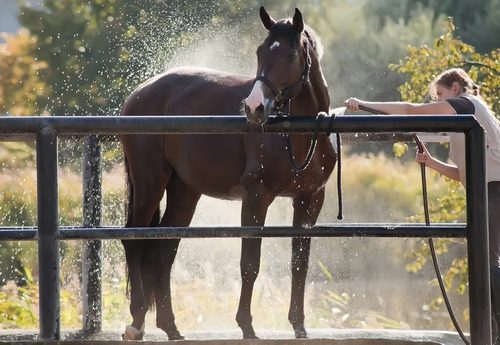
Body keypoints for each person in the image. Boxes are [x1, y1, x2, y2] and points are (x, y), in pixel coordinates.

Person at [344, 68, 500, 343]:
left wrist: (364, 104)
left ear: (455, 88)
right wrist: (430, 163)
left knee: (488, 261)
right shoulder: (470, 118)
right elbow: (465, 174)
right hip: (487, 192)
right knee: (488, 260)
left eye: (440, 94)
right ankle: (492, 332)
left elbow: (409, 109)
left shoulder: (467, 104)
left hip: (494, 193)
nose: (438, 100)